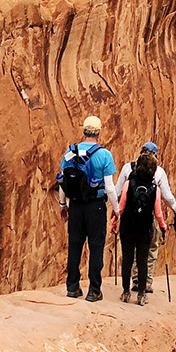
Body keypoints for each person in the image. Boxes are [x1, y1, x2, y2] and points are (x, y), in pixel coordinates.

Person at [57, 115, 117, 301]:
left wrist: (62, 205)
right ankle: (94, 290)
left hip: (75, 205)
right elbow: (109, 187)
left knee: (75, 245)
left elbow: (62, 181)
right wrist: (116, 208)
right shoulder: (104, 155)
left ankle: (72, 287)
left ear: (84, 131)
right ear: (99, 132)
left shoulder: (70, 152)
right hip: (95, 206)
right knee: (96, 246)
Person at [112, 143, 176, 293]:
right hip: (149, 217)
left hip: (128, 216)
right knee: (150, 249)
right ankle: (146, 282)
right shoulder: (158, 172)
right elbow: (166, 196)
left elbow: (117, 191)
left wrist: (115, 213)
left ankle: (134, 280)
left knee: (131, 252)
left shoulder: (128, 168)